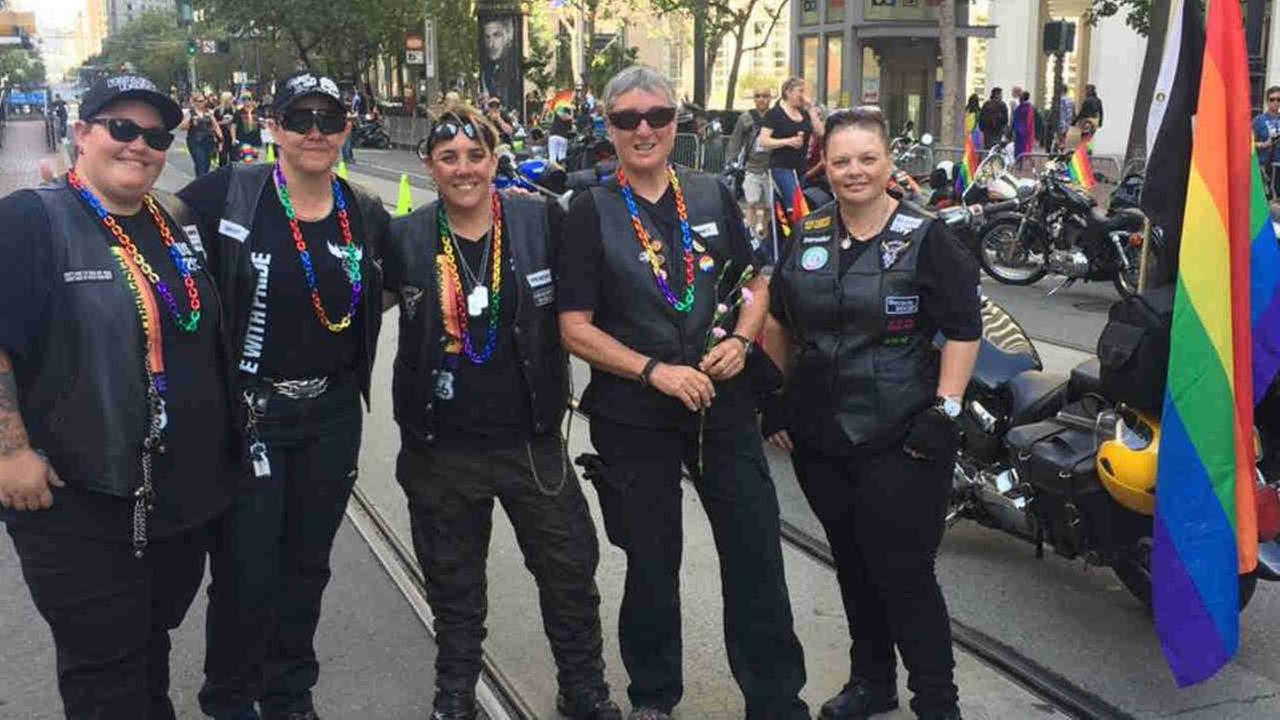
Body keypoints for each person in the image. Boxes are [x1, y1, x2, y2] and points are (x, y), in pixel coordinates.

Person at [557, 65, 809, 720]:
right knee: (651, 564)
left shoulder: (709, 194)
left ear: (679, 123)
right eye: (627, 119)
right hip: (633, 413)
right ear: (607, 128)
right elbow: (572, 327)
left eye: (657, 117)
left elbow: (756, 279)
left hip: (722, 408)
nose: (644, 130)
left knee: (755, 554)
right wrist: (651, 371)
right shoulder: (588, 211)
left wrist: (745, 341)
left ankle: (777, 701)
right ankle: (654, 699)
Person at [0, 73, 238, 718]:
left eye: (155, 135)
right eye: (121, 128)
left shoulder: (175, 220)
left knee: (145, 647)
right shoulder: (31, 217)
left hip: (176, 497)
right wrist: (8, 452)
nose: (139, 146)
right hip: (82, 501)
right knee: (106, 671)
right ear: (82, 134)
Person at [383, 102, 622, 720]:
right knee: (454, 586)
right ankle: (455, 695)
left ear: (495, 158)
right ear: (429, 167)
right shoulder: (407, 237)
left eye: (475, 155)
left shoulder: (539, 217)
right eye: (448, 158)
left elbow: (599, 294)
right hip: (441, 449)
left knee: (570, 575)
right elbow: (345, 316)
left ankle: (584, 691)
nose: (464, 169)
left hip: (531, 443)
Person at [177, 70, 391, 720]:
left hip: (330, 415)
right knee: (247, 571)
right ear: (274, 127)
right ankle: (231, 697)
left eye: (329, 119)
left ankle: (289, 691)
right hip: (251, 416)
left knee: (307, 566)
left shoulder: (362, 212)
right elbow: (145, 225)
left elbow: (403, 279)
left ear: (347, 129)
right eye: (300, 118)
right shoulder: (231, 193)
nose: (315, 132)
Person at [763, 107, 980, 720]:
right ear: (824, 166)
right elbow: (778, 315)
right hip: (821, 437)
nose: (854, 171)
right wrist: (778, 394)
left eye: (866, 158)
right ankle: (873, 682)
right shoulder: (809, 232)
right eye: (840, 161)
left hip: (903, 436)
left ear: (889, 162)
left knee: (904, 572)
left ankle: (938, 702)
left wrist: (947, 407)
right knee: (854, 564)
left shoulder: (929, 237)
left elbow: (964, 329)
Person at [758, 77, 817, 221]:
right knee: (795, 206)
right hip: (782, 166)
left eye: (804, 91)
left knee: (801, 204)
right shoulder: (775, 114)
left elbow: (820, 132)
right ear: (788, 93)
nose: (803, 96)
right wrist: (787, 141)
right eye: (800, 91)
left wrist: (811, 110)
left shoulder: (804, 113)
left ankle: (786, 233)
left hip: (801, 167)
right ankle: (795, 237)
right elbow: (763, 141)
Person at [726, 87, 774, 239]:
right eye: (758, 96)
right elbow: (735, 141)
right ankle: (751, 236)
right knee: (751, 203)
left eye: (765, 96)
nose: (761, 99)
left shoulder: (776, 116)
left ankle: (765, 235)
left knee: (768, 205)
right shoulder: (746, 118)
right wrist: (730, 161)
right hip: (752, 167)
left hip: (771, 168)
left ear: (770, 98)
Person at [181, 93, 222, 177]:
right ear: (195, 102)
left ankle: (199, 182)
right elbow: (183, 127)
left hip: (208, 141)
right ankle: (201, 185)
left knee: (207, 163)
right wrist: (190, 120)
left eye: (203, 101)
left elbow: (216, 126)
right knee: (200, 161)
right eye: (200, 101)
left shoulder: (208, 112)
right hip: (195, 141)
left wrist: (220, 138)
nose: (202, 103)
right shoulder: (191, 113)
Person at [1253, 85, 1280, 198]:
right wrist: (1264, 144)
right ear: (1267, 101)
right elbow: (1247, 144)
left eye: (1278, 99)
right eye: (1272, 99)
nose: (1275, 102)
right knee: (1266, 201)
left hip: (1278, 167)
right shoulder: (1259, 120)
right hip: (1264, 168)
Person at [215, 91, 239, 168]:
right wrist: (223, 122)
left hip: (232, 135)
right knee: (223, 157)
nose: (233, 99)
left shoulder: (235, 110)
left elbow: (234, 124)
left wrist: (234, 138)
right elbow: (214, 124)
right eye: (231, 98)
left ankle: (232, 174)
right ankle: (222, 173)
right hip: (221, 136)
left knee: (234, 158)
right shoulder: (218, 111)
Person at [1012, 91, 1036, 163]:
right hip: (1024, 130)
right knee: (1023, 147)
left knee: (1019, 147)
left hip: (1021, 130)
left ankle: (1019, 161)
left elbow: (1015, 118)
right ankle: (1020, 161)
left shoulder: (1021, 107)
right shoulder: (1029, 107)